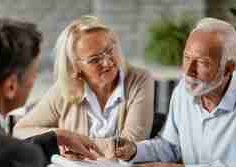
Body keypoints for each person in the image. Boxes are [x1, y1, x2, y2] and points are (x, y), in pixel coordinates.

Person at [0, 15, 141, 167]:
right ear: (11, 86)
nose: (34, 80)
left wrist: (54, 139)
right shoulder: (9, 156)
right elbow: (4, 160)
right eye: (33, 73)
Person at [115, 17, 236, 167]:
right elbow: (171, 146)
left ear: (228, 68)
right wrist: (135, 150)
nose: (189, 71)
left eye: (202, 63)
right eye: (187, 58)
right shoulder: (183, 91)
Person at [14, 15, 154, 158]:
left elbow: (129, 146)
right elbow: (20, 130)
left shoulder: (140, 79)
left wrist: (73, 143)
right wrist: (61, 136)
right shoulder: (64, 88)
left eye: (109, 50)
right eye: (95, 59)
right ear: (75, 66)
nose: (107, 62)